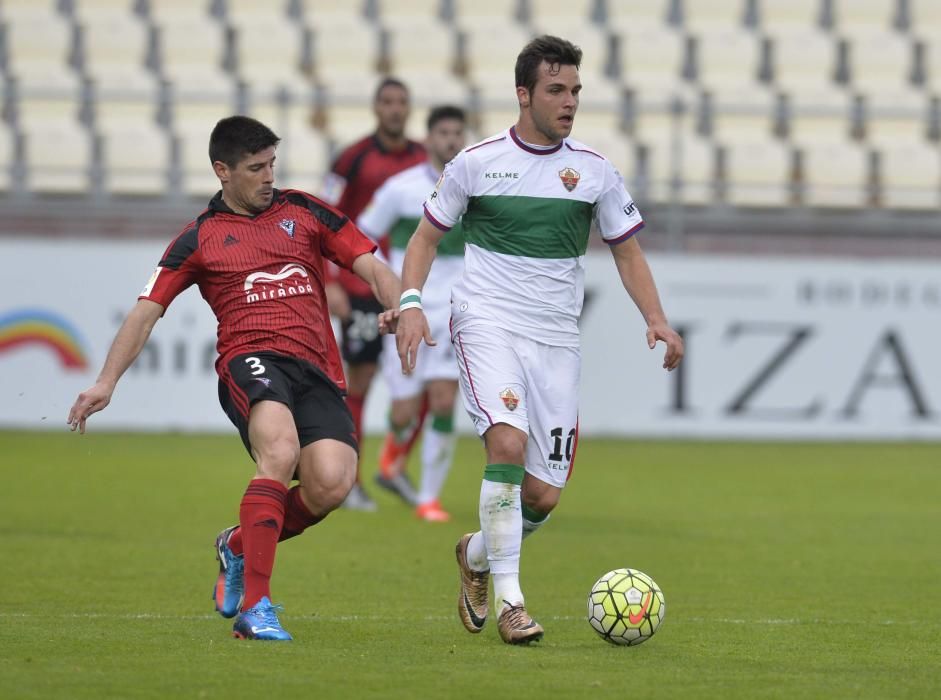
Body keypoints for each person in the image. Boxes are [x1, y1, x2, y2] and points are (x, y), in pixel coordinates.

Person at [390, 36, 684, 644]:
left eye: (575, 90)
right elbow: (422, 240)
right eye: (556, 89)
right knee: (505, 439)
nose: (569, 100)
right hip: (486, 320)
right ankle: (512, 603)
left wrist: (655, 317)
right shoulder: (476, 162)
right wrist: (413, 302)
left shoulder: (595, 172)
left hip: (555, 340)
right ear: (524, 94)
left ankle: (475, 555)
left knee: (544, 494)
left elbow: (626, 252)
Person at [67, 116, 400, 641]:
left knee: (332, 483)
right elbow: (145, 311)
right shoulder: (199, 238)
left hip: (315, 366)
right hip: (250, 360)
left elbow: (370, 263)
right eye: (255, 168)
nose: (269, 177)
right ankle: (257, 607)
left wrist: (403, 303)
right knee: (280, 450)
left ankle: (238, 546)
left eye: (272, 165)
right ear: (222, 171)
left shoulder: (303, 210)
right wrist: (106, 381)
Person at [321, 77, 428, 511]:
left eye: (402, 102)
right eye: (387, 102)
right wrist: (328, 279)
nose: (395, 109)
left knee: (432, 381)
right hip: (360, 284)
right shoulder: (352, 157)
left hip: (413, 285)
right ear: (375, 107)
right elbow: (324, 215)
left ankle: (393, 466)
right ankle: (351, 480)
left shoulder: (424, 160)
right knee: (360, 380)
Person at [357, 105, 467, 522]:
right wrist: (388, 282)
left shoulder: (473, 188)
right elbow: (363, 233)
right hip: (410, 306)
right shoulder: (401, 189)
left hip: (457, 310)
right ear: (429, 138)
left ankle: (428, 498)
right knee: (404, 411)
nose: (451, 140)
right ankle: (393, 455)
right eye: (444, 132)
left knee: (443, 402)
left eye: (458, 132)